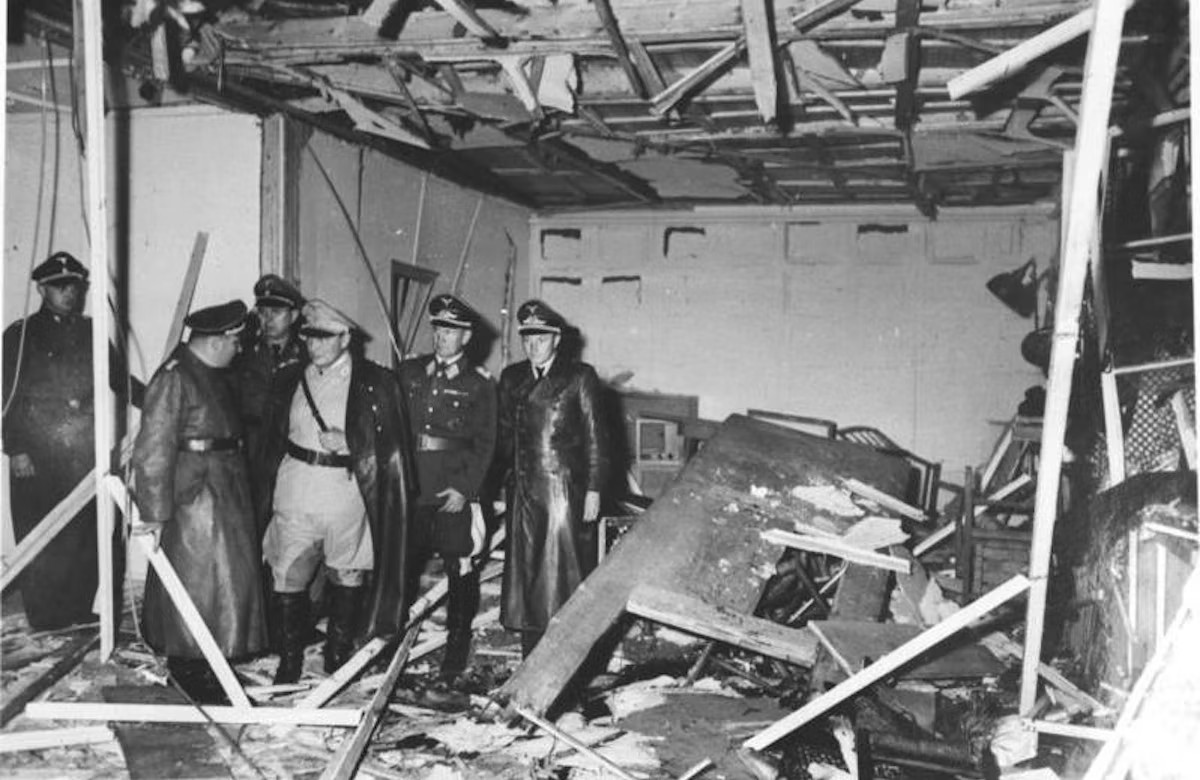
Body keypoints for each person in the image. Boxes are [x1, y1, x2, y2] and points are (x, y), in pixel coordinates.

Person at [258, 299, 415, 683]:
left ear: (345, 337)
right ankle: (289, 659)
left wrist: (352, 443)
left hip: (347, 494)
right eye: (310, 336)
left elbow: (395, 447)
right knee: (288, 574)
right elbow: (269, 438)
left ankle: (337, 655)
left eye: (325, 337)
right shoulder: (289, 378)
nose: (316, 345)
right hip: (296, 489)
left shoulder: (376, 382)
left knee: (348, 574)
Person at [132, 300, 267, 704]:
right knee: (197, 586)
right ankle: (189, 668)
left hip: (222, 491)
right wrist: (154, 514)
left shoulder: (211, 374)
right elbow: (152, 450)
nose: (239, 349)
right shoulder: (175, 378)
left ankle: (210, 663)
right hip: (196, 501)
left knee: (222, 587)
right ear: (216, 341)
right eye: (235, 342)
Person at [2, 251, 140, 632]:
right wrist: (14, 449)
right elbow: (6, 396)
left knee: (87, 534)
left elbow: (122, 382)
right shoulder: (20, 334)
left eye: (74, 286)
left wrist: (163, 394)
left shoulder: (91, 333)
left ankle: (78, 611)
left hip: (84, 452)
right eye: (60, 286)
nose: (69, 293)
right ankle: (46, 617)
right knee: (41, 534)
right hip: (37, 453)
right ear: (42, 289)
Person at [496, 300, 609, 657]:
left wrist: (594, 488)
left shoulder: (579, 377)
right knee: (527, 573)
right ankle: (531, 656)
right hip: (523, 490)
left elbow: (596, 438)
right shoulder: (512, 377)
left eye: (541, 338)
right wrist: (495, 487)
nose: (533, 345)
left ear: (556, 339)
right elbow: (502, 437)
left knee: (561, 573)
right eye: (527, 338)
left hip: (563, 490)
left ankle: (567, 657)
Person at [397, 294, 496, 693]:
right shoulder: (410, 373)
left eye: (451, 330)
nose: (442, 337)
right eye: (438, 329)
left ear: (466, 336)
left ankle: (455, 652)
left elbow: (487, 442)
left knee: (461, 567)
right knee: (404, 567)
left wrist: (466, 488)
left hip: (452, 488)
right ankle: (392, 646)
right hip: (413, 485)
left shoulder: (479, 384)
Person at [233, 274, 306, 510]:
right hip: (248, 451)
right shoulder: (240, 355)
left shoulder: (307, 358)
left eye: (276, 312)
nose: (268, 319)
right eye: (263, 313)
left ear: (293, 316)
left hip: (289, 450)